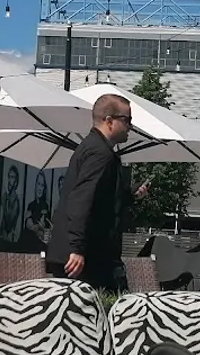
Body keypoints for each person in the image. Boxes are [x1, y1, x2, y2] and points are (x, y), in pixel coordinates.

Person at [46, 93, 135, 291]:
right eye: (127, 120)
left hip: (81, 255)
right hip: (84, 259)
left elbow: (100, 200)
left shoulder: (92, 148)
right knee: (107, 306)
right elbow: (81, 199)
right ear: (109, 121)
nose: (130, 126)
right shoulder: (100, 154)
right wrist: (77, 248)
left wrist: (130, 196)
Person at [24, 171, 52, 243]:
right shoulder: (31, 205)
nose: (40, 188)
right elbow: (28, 223)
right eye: (39, 184)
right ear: (35, 185)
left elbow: (46, 226)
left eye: (42, 185)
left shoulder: (45, 206)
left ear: (44, 188)